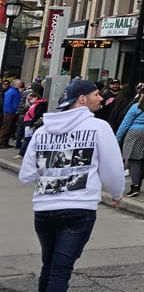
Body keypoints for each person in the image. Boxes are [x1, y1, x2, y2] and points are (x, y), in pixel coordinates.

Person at [20, 79, 126, 292]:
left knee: (49, 266)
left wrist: (52, 176)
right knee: (61, 269)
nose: (101, 99)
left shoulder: (42, 131)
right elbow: (112, 167)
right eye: (96, 94)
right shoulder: (98, 128)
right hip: (79, 207)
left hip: (44, 209)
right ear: (82, 99)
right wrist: (117, 193)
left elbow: (27, 174)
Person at [1, 77, 22, 148]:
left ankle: (5, 142)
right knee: (6, 128)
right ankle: (2, 143)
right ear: (14, 84)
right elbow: (7, 103)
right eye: (19, 84)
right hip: (9, 113)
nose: (20, 85)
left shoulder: (15, 91)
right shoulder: (11, 92)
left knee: (10, 128)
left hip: (13, 112)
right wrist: (11, 111)